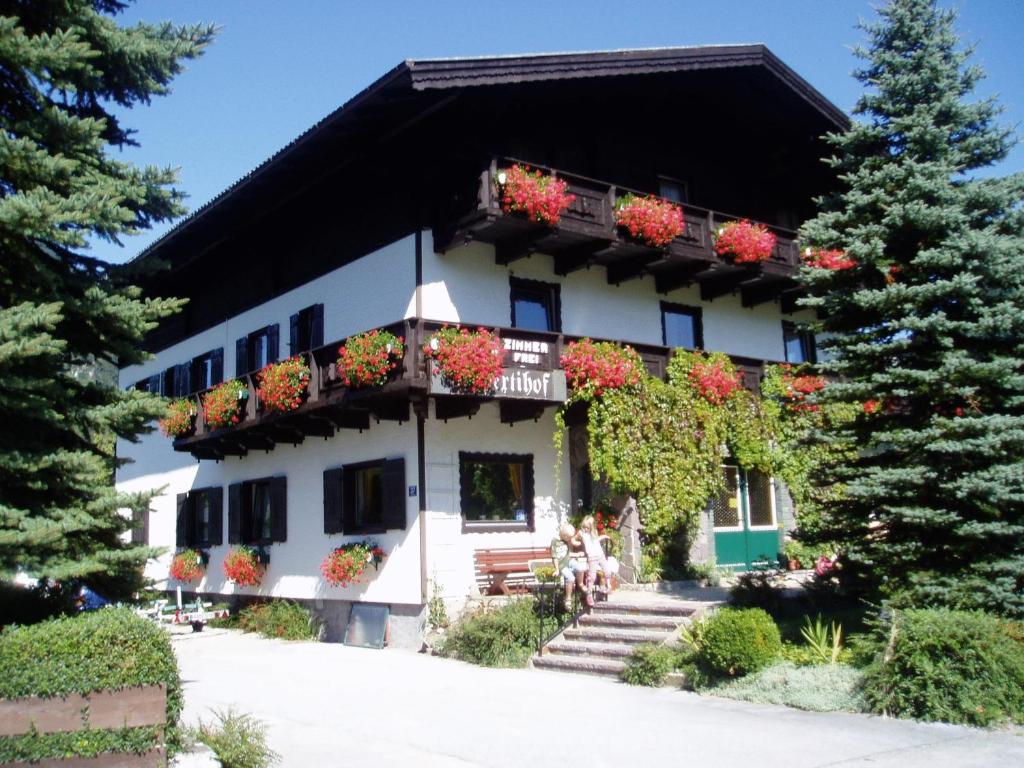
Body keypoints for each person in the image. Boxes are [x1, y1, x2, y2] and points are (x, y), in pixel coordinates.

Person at [551, 524, 586, 609]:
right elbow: (554, 557)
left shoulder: (566, 540)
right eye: (569, 538)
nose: (570, 539)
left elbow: (567, 554)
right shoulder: (555, 542)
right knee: (570, 578)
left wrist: (577, 554)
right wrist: (556, 569)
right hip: (561, 565)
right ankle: (568, 599)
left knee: (581, 568)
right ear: (564, 535)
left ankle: (581, 584)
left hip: (569, 561)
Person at [578, 515, 613, 599]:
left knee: (607, 570)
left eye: (587, 528)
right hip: (592, 556)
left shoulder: (594, 532)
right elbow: (574, 538)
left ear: (592, 527)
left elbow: (596, 540)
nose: (585, 529)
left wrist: (603, 536)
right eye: (584, 527)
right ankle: (589, 593)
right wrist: (576, 542)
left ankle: (608, 586)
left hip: (600, 554)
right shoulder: (581, 533)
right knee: (592, 576)